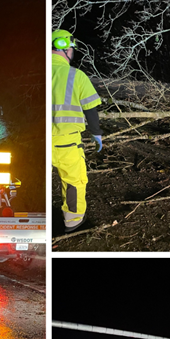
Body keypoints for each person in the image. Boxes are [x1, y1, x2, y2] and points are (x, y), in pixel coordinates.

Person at [51, 29, 103, 232]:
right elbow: (90, 108)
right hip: (67, 141)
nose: (72, 52)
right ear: (64, 46)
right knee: (73, 180)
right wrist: (96, 133)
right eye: (71, 48)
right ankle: (73, 223)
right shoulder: (76, 76)